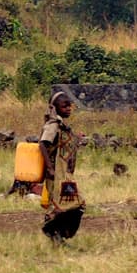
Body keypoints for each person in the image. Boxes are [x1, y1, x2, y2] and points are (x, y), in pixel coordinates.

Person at [37, 90, 87, 243]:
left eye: (69, 106)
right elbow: (43, 144)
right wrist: (50, 168)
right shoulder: (53, 126)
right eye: (64, 106)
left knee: (76, 205)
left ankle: (57, 234)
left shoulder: (63, 127)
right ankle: (51, 229)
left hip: (65, 174)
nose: (68, 109)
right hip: (57, 174)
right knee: (70, 204)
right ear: (55, 108)